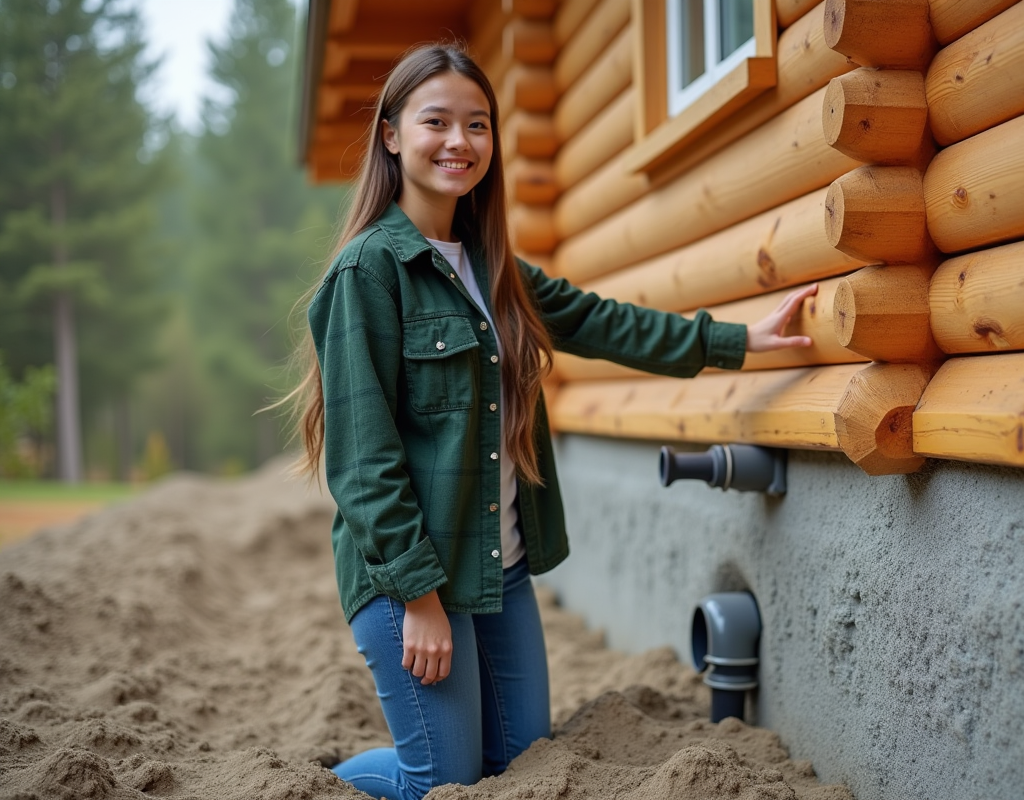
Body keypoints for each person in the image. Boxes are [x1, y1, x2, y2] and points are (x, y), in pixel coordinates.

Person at [289, 43, 818, 800]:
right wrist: (419, 600)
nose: (459, 142)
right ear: (392, 136)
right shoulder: (369, 272)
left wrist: (738, 341)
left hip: (497, 571)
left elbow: (603, 323)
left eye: (478, 124)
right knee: (441, 780)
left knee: (521, 764)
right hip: (411, 580)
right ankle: (317, 787)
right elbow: (362, 461)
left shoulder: (491, 263)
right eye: (436, 120)